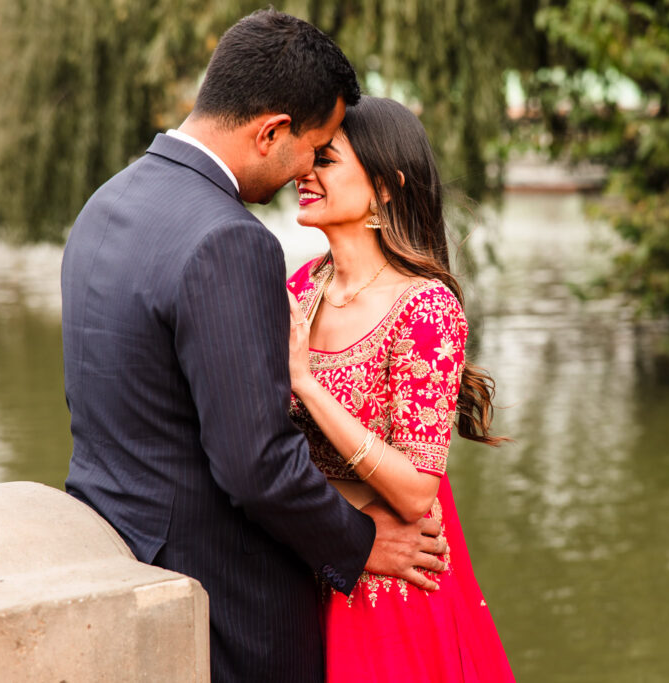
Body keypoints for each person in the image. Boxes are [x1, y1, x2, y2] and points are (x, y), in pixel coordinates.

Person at [61, 12, 446, 682]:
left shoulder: (105, 204)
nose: (309, 168)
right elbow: (255, 465)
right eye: (315, 145)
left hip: (120, 555)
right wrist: (363, 544)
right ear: (271, 131)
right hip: (231, 607)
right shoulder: (229, 240)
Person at [286, 95, 515, 682]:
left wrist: (308, 388)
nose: (303, 173)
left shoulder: (426, 309)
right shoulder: (296, 288)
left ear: (385, 187)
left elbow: (416, 492)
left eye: (326, 160)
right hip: (305, 561)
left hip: (391, 587)